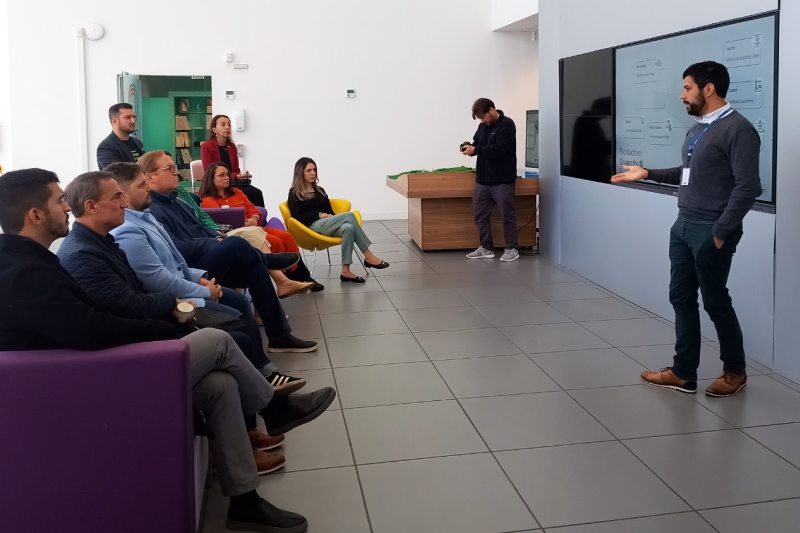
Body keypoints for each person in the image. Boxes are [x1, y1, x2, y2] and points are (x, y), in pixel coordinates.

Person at [0, 167, 338, 532]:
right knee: (220, 340)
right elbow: (94, 330)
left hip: (91, 368)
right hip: (87, 384)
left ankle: (245, 503)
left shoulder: (37, 261)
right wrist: (164, 328)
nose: (67, 207)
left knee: (222, 387)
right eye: (58, 200)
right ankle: (274, 406)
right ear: (35, 215)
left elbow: (95, 320)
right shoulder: (27, 273)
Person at [58, 167, 305, 397]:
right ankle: (265, 388)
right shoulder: (118, 234)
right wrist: (195, 293)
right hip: (171, 297)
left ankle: (272, 355)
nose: (124, 201)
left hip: (182, 281)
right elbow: (153, 282)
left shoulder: (152, 213)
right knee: (237, 264)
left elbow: (187, 240)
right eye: (119, 196)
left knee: (249, 275)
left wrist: (201, 276)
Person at [611, 61, 762, 397]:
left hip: (711, 229)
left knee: (715, 301)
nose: (682, 95)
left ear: (709, 89)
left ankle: (735, 371)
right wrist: (647, 172)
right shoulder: (697, 129)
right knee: (681, 297)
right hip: (683, 225)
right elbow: (687, 172)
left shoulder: (738, 129)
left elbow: (748, 187)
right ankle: (683, 372)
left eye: (687, 88)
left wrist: (721, 232)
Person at [200, 162, 323, 292]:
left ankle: (301, 275)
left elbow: (255, 210)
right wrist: (245, 222)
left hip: (255, 228)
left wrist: (255, 218)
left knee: (286, 236)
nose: (226, 178)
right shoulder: (208, 200)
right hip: (238, 233)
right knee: (275, 241)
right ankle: (290, 278)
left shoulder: (237, 192)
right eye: (221, 175)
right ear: (211, 179)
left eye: (227, 175)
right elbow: (222, 222)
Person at [287, 157, 389, 283]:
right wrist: (319, 215)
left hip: (326, 224)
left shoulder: (320, 191)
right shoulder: (294, 193)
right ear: (300, 172)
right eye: (308, 170)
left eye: (314, 170)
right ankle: (368, 256)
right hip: (311, 227)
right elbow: (297, 217)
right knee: (349, 216)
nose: (313, 173)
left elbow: (330, 211)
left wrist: (329, 216)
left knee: (349, 228)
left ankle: (345, 271)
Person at [461, 98, 519, 262]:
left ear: (492, 110)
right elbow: (477, 145)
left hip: (502, 181)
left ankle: (512, 249)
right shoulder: (482, 127)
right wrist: (469, 147)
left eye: (483, 117)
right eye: (480, 119)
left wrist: (477, 149)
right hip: (483, 181)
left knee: (507, 215)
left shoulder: (507, 125)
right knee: (480, 215)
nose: (482, 121)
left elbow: (498, 149)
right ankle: (486, 247)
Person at [201, 114, 265, 207]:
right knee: (251, 194)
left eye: (229, 125)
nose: (227, 127)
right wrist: (235, 176)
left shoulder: (232, 147)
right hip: (216, 184)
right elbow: (209, 172)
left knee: (257, 192)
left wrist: (241, 176)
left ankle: (258, 218)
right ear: (214, 130)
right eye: (223, 125)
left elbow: (235, 169)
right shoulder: (207, 146)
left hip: (231, 182)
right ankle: (247, 217)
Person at [97, 103, 145, 170]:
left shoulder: (138, 143)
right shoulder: (106, 147)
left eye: (134, 117)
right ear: (115, 121)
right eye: (128, 117)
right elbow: (117, 174)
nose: (133, 121)